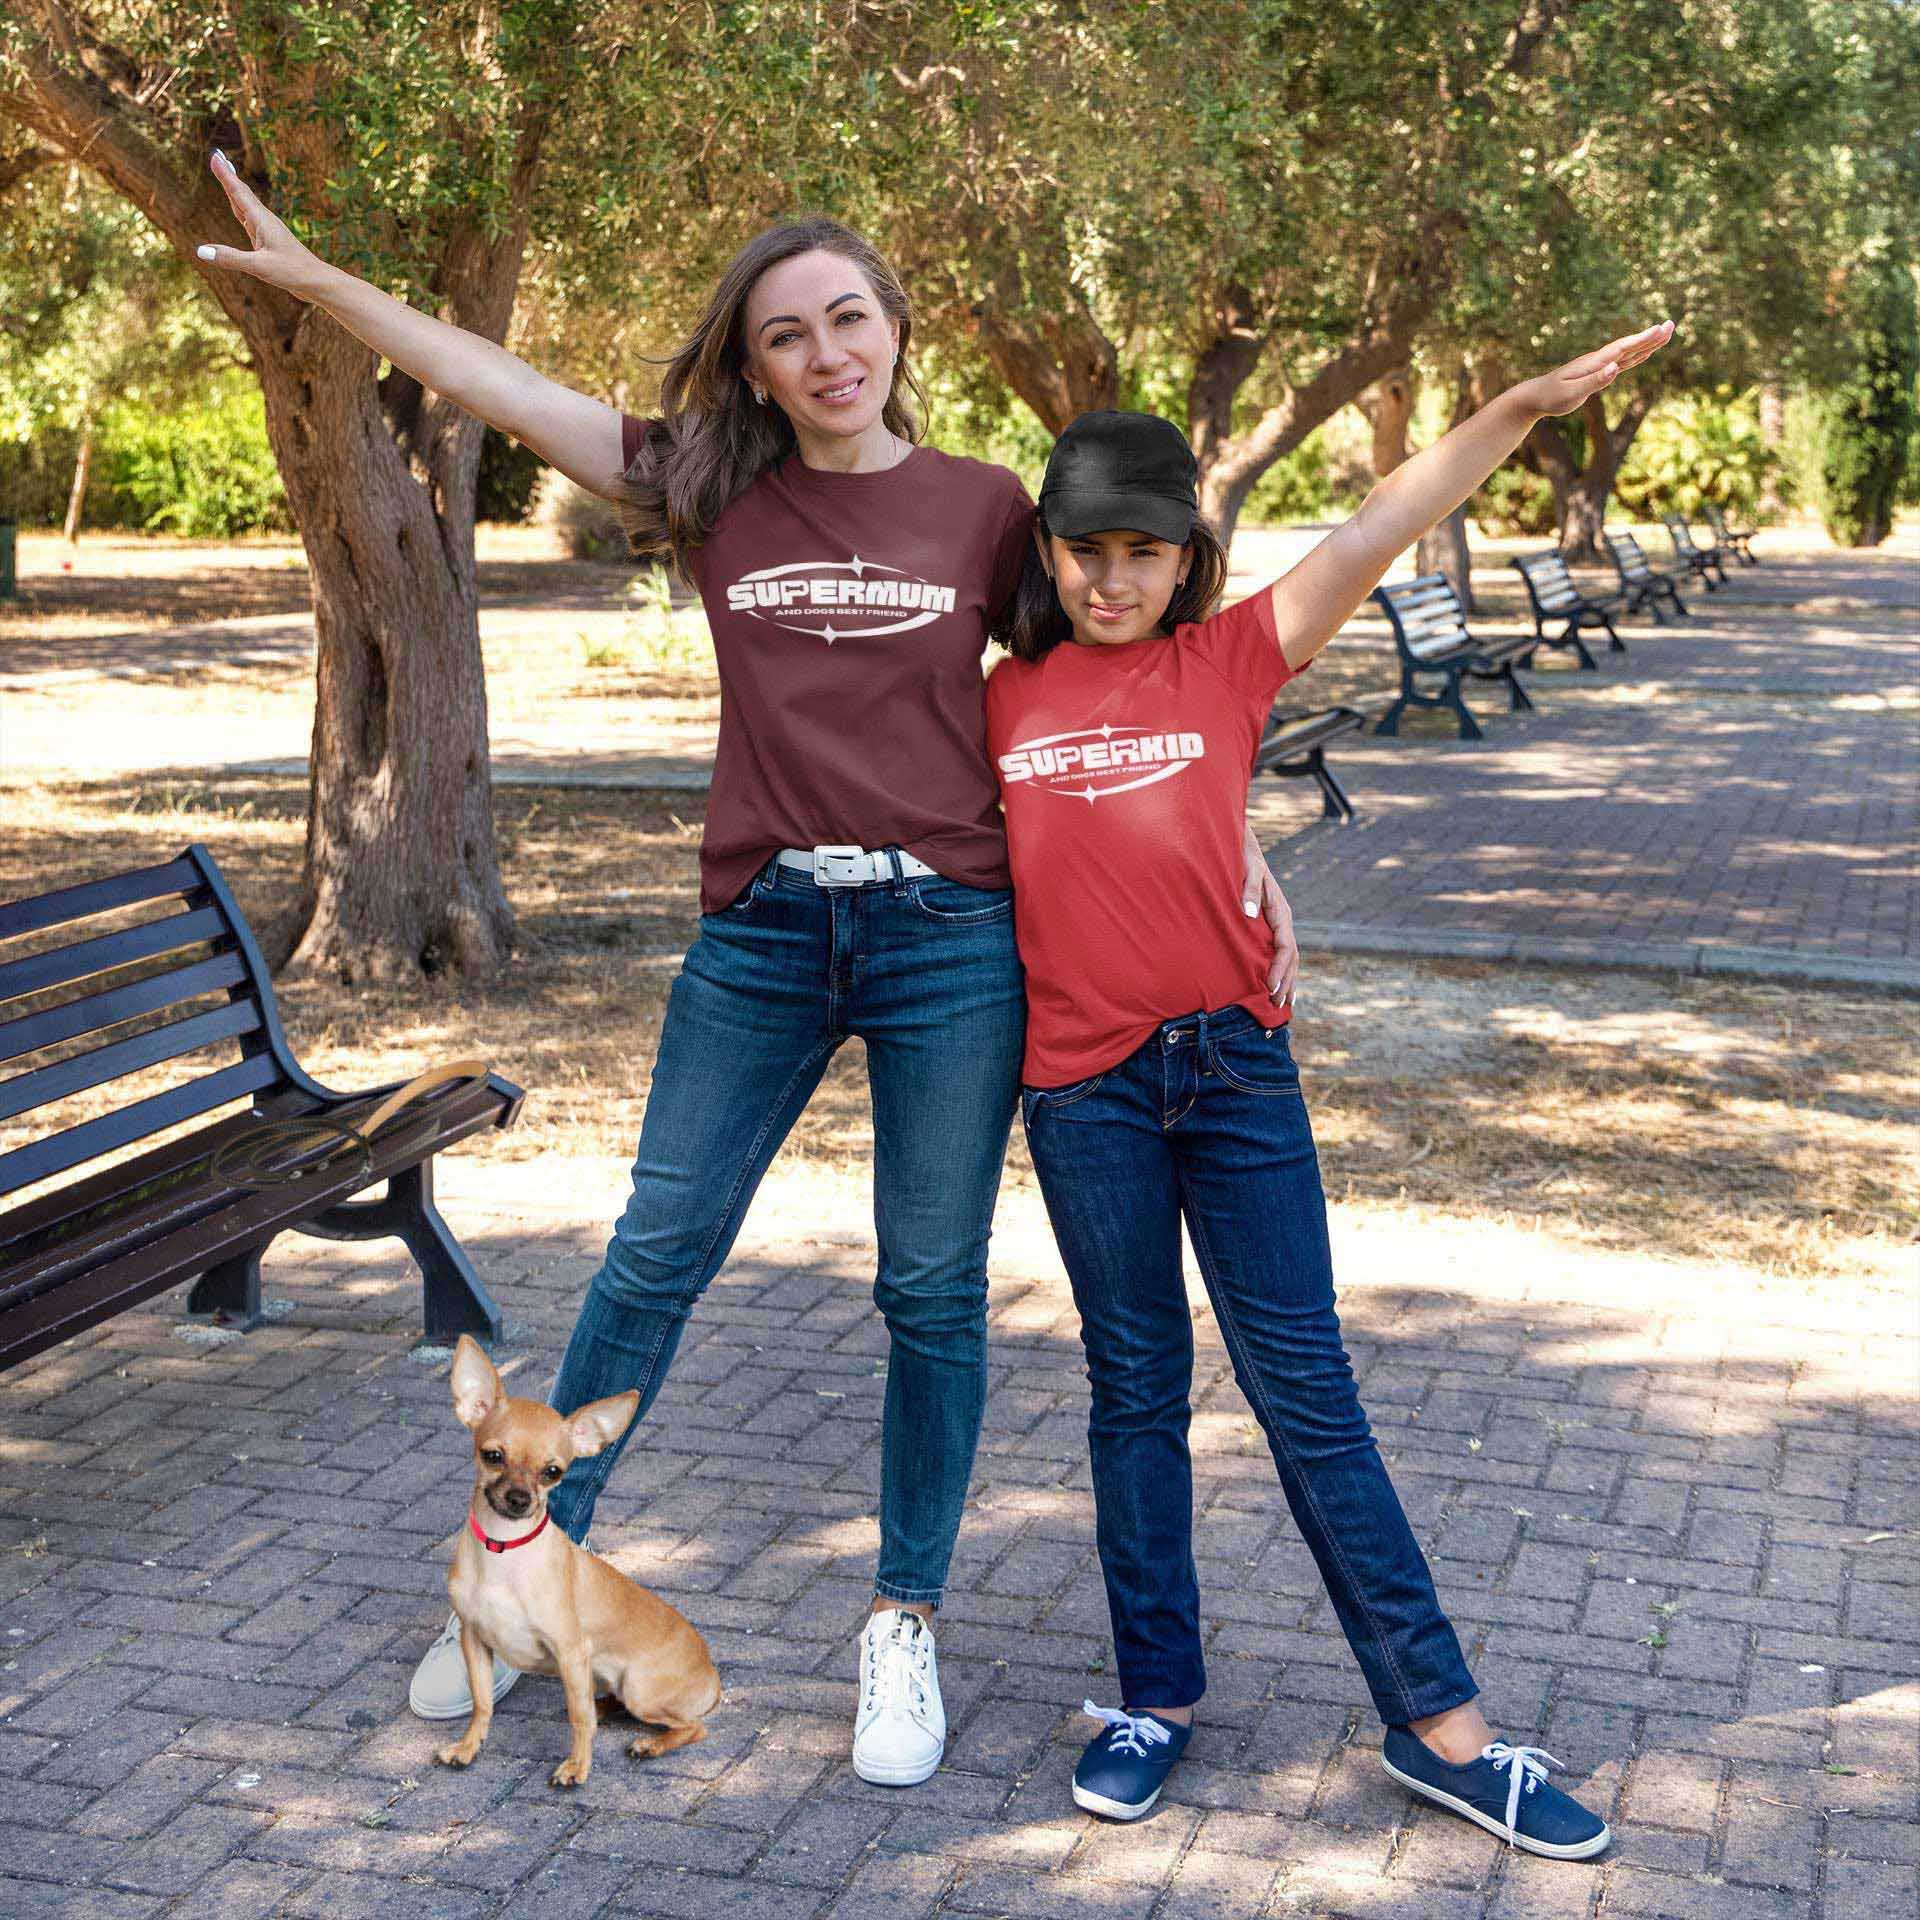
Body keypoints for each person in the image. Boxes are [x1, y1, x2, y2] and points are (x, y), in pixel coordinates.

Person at [192, 151, 1296, 1784]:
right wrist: (325, 287)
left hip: (948, 937)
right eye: (786, 335)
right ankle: (516, 1592)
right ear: (754, 366)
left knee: (930, 1286)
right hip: (765, 931)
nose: (825, 353)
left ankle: (902, 1622)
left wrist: (1230, 827)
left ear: (894, 329)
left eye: (849, 318)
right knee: (657, 1250)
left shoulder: (988, 506)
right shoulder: (711, 483)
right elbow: (487, 379)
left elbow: (1112, 693)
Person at [984, 320, 1671, 1852]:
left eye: (1144, 553)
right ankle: (1154, 1696)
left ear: (1185, 564)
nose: (1112, 578)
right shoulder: (998, 700)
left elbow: (1381, 521)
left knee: (1309, 1395)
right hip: (1081, 1092)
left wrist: (1509, 401)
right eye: (1085, 549)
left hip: (1233, 1069)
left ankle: (1444, 1729)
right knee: (1134, 1391)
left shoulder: (1229, 659)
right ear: (1048, 550)